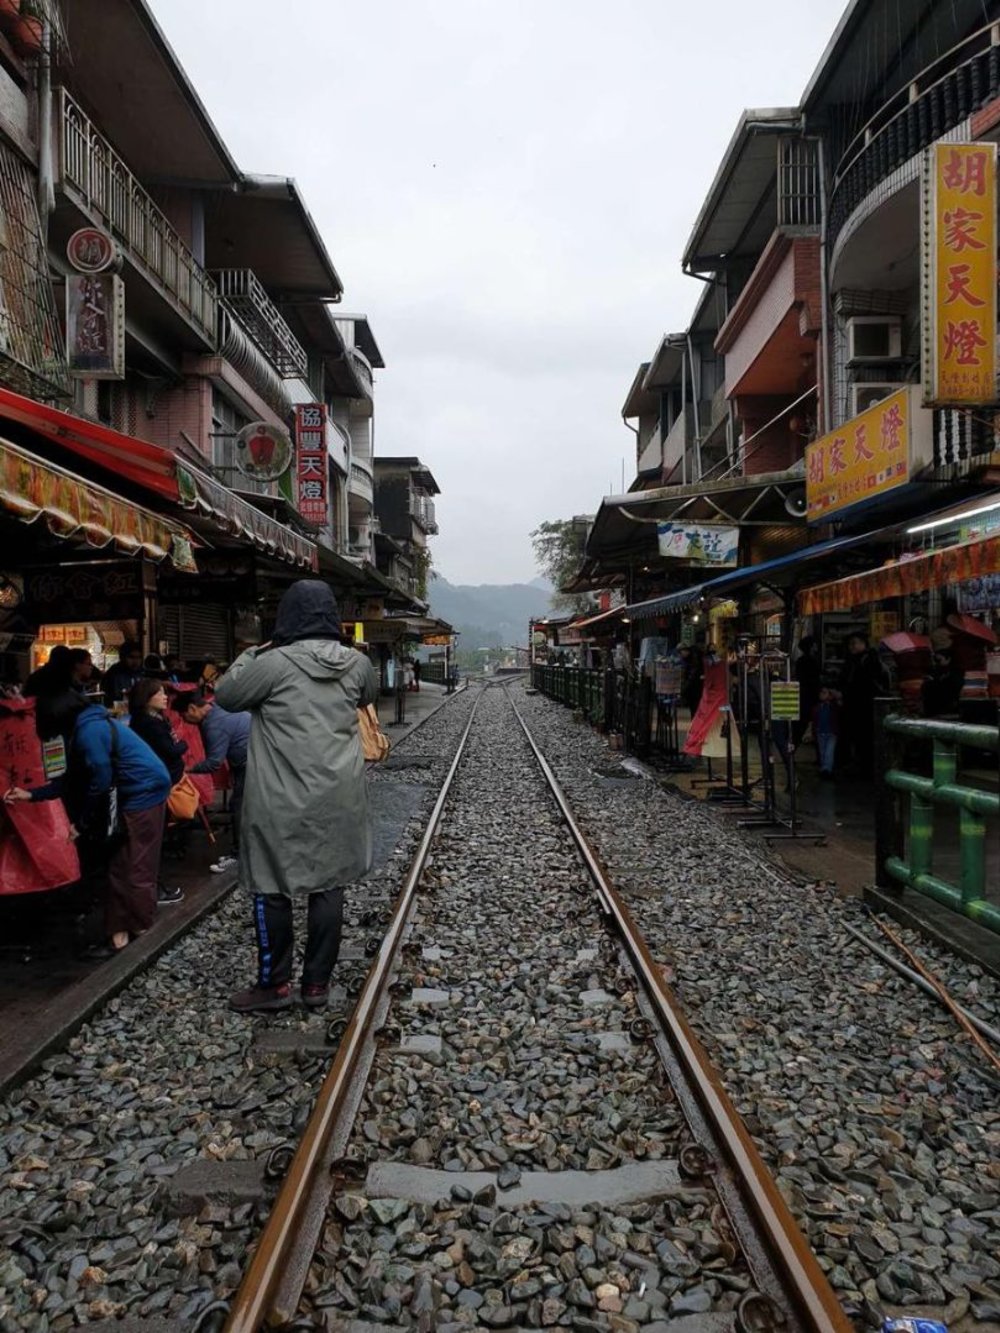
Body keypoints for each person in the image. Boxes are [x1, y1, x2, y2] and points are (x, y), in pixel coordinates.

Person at [213, 579, 378, 1014]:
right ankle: (317, 986)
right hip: (339, 794)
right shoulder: (357, 664)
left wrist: (253, 651)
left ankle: (275, 984)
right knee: (329, 885)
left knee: (271, 886)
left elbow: (227, 695)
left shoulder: (274, 663)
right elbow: (368, 697)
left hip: (279, 797)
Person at [4, 694, 171, 955]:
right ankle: (128, 930)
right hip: (144, 792)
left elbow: (99, 782)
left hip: (142, 795)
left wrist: (81, 824)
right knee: (128, 864)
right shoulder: (90, 724)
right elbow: (75, 778)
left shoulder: (88, 732)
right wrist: (32, 795)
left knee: (128, 865)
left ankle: (136, 932)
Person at [173, 691, 251, 875]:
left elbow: (214, 762)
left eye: (184, 716)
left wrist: (187, 770)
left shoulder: (214, 724)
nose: (185, 721)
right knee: (247, 807)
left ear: (193, 708)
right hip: (253, 758)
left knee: (239, 806)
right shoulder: (219, 706)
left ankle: (239, 856)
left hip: (251, 763)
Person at [838, 632, 886, 776]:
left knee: (864, 738)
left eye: (855, 643)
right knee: (858, 738)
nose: (852, 646)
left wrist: (845, 693)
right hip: (854, 706)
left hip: (864, 706)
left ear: (864, 644)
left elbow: (863, 683)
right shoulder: (853, 660)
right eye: (850, 643)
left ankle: (866, 769)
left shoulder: (868, 660)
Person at [793, 636, 821, 746]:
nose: (816, 647)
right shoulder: (811, 661)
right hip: (810, 697)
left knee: (800, 727)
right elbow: (813, 680)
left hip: (803, 696)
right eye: (814, 645)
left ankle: (790, 754)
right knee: (805, 725)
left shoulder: (801, 661)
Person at [810, 684, 841, 778]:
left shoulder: (833, 706)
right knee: (823, 751)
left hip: (831, 732)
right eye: (821, 693)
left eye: (824, 693)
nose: (822, 695)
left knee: (828, 752)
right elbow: (814, 721)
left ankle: (826, 769)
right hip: (821, 732)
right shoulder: (817, 707)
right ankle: (825, 768)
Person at [922, 648, 964, 717]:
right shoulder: (936, 670)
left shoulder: (955, 671)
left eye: (939, 660)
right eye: (935, 660)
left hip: (949, 702)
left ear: (948, 659)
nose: (937, 663)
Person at [103, 642, 144, 707]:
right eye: (131, 657)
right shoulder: (114, 673)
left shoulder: (141, 672)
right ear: (123, 657)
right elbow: (113, 695)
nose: (135, 661)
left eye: (139, 657)